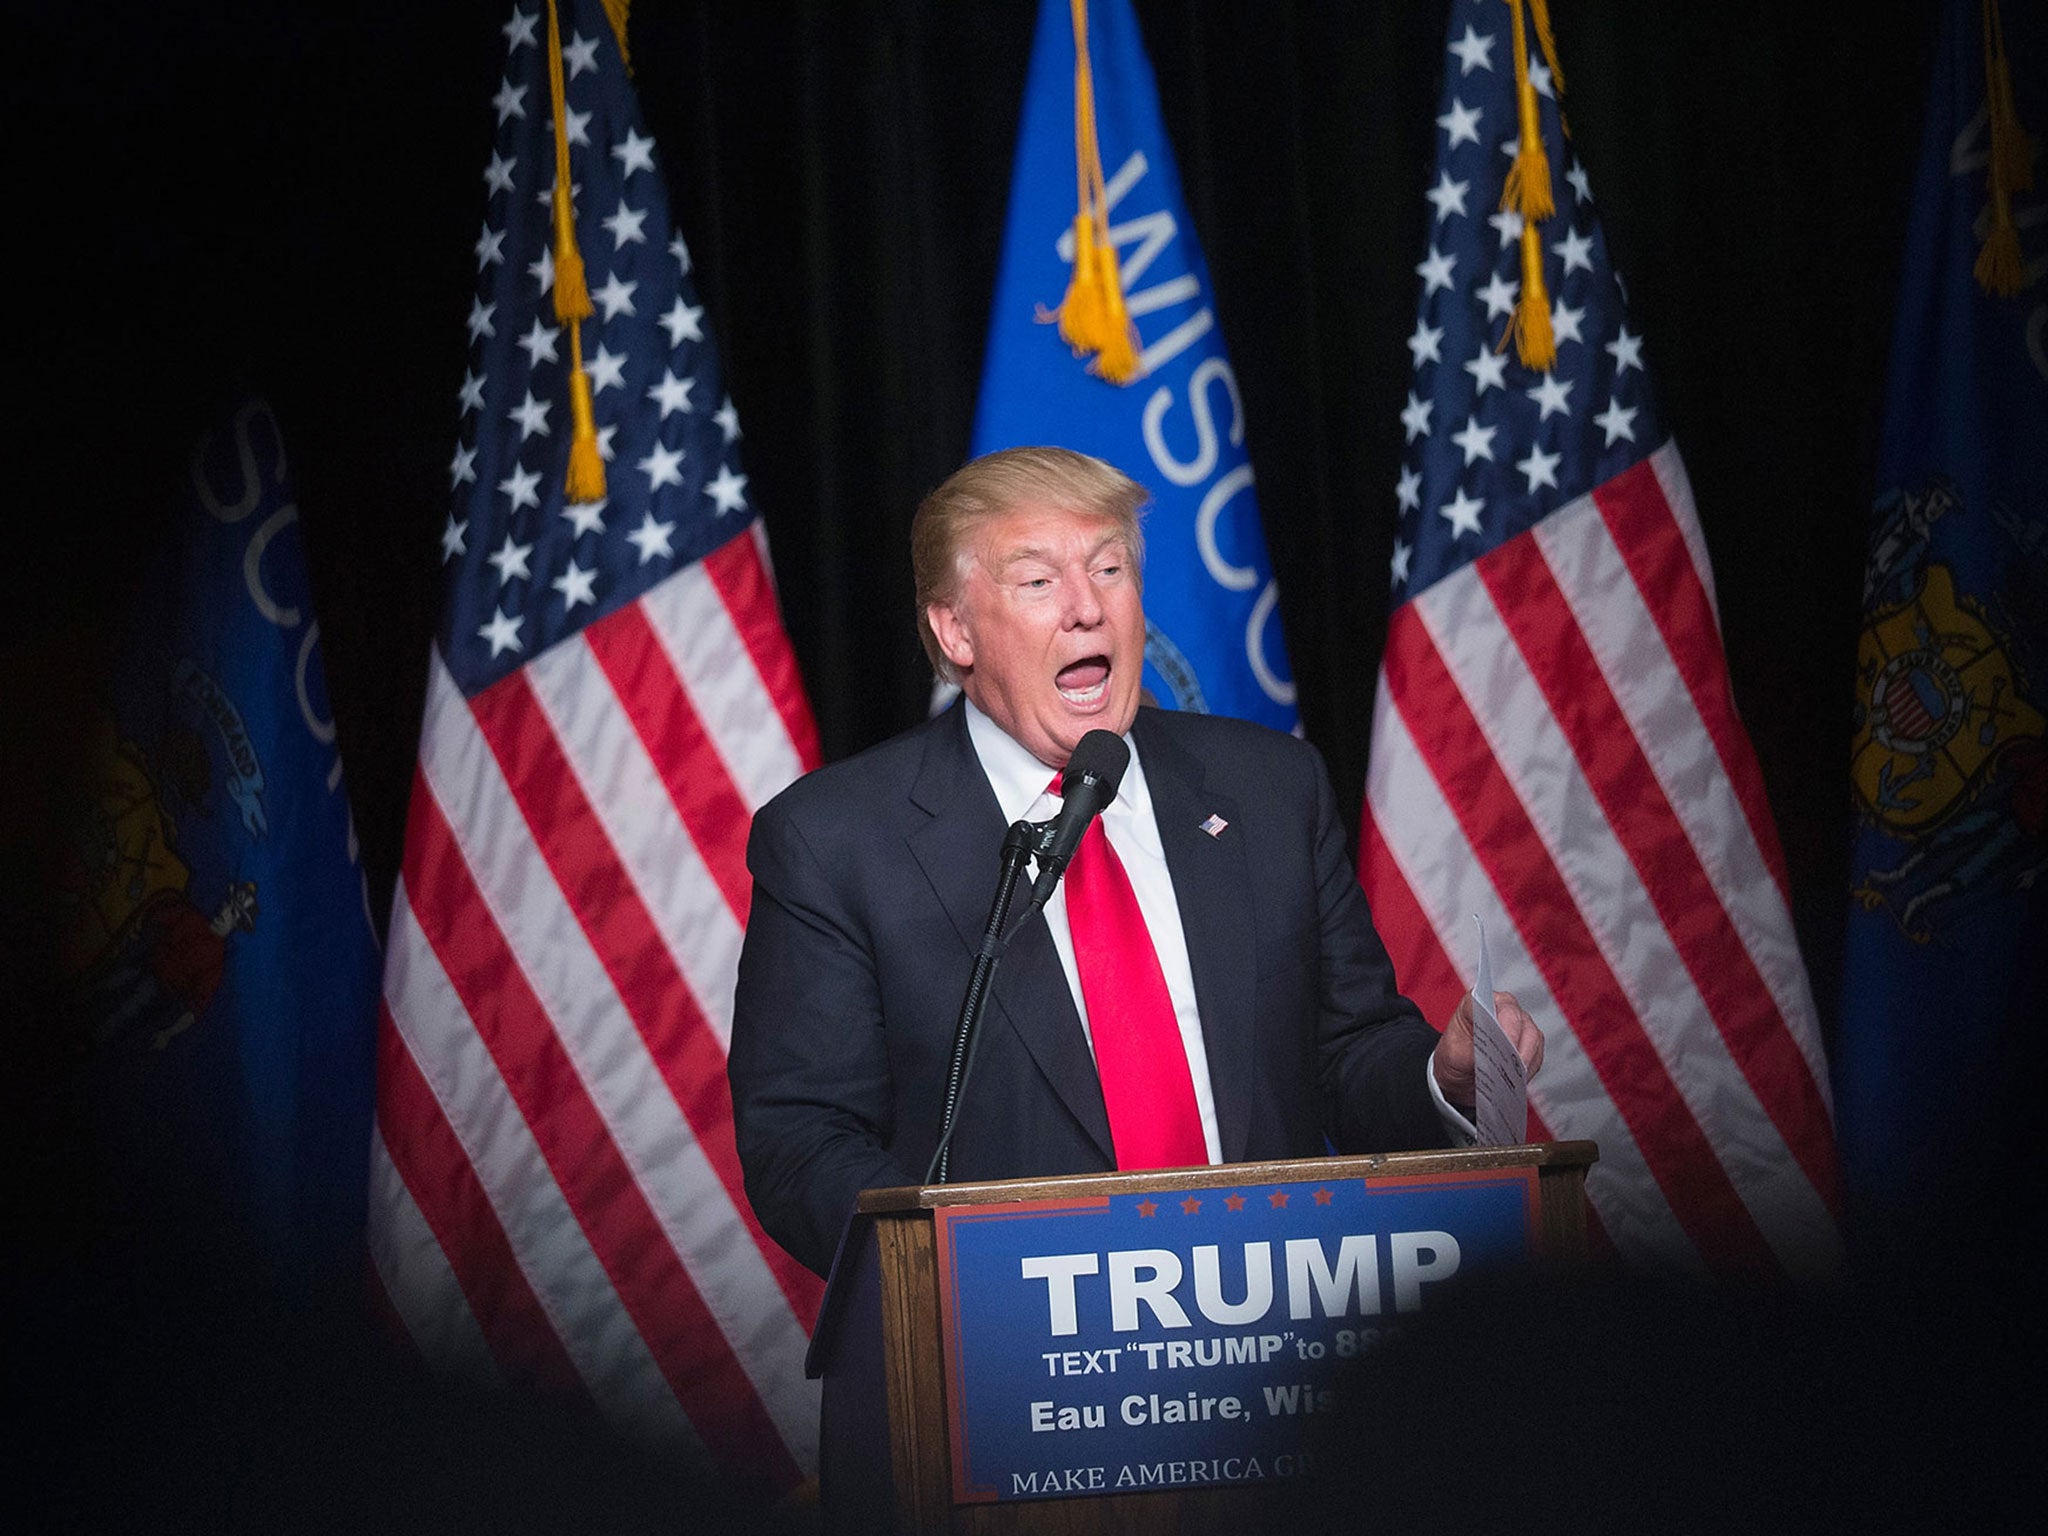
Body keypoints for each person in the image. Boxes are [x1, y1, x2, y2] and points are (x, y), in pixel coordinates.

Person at [728, 446, 1543, 1279]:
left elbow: (1349, 1054)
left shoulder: (1267, 789)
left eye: (1109, 568)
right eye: (1037, 581)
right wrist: (964, 1279)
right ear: (956, 630)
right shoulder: (835, 840)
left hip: (1278, 1331)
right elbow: (800, 1140)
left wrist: (1442, 1075)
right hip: (1010, 1370)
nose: (1086, 608)